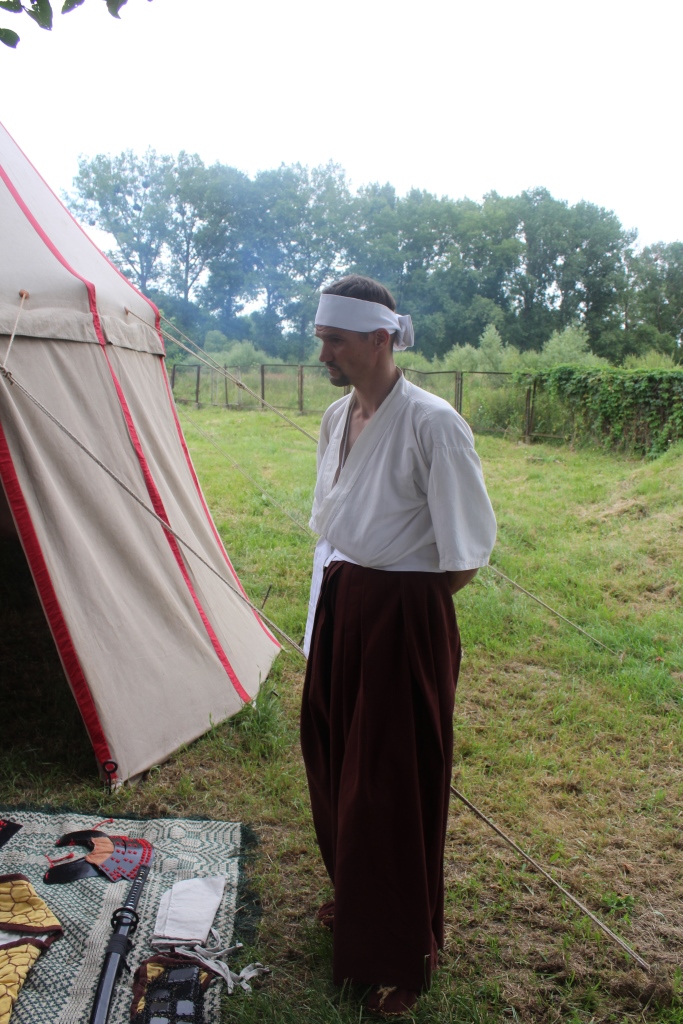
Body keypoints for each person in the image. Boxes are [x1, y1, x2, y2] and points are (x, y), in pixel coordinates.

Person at [300, 275, 496, 1017]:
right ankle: (358, 898)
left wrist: (401, 610)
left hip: (404, 613)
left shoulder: (433, 424)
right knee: (332, 757)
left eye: (335, 340)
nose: (323, 352)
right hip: (342, 598)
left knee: (390, 783)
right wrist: (348, 600)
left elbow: (464, 553)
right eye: (321, 338)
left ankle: (401, 949)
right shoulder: (336, 415)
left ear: (381, 337)